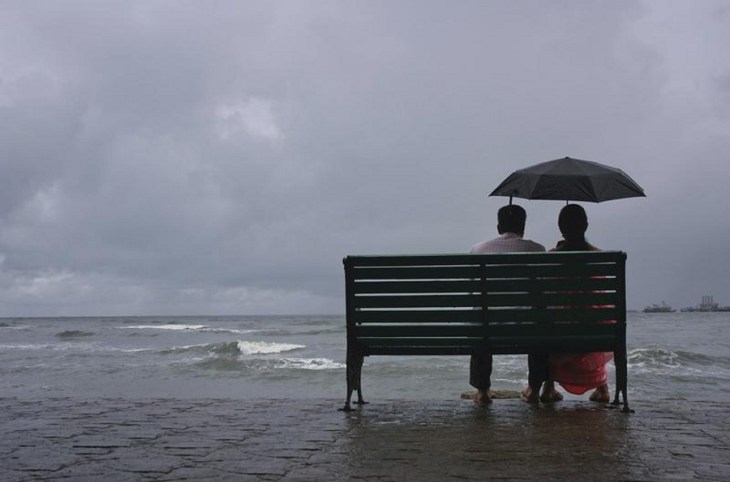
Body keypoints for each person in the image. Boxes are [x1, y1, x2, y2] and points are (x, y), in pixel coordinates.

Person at [469, 204, 546, 405]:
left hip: (487, 328)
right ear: (523, 227)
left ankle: (483, 391)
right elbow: (542, 294)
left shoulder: (478, 250)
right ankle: (534, 389)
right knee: (540, 323)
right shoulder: (538, 250)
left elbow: (472, 292)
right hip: (526, 329)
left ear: (498, 227)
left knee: (481, 321)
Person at [541, 204, 613, 403]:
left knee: (550, 321)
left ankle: (548, 388)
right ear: (586, 225)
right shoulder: (600, 257)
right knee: (596, 313)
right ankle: (603, 389)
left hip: (560, 329)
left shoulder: (550, 257)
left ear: (559, 227)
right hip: (596, 329)